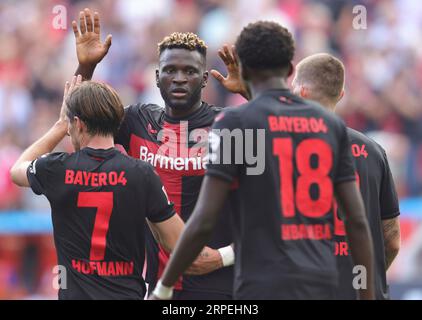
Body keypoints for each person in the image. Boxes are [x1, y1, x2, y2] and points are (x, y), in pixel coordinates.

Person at [150, 21, 375, 300]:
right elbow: (357, 220)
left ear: (242, 68)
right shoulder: (329, 124)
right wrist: (367, 296)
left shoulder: (234, 122)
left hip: (262, 281)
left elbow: (204, 219)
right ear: (291, 70)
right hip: (321, 278)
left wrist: (164, 287)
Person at [71, 8, 237, 300]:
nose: (179, 78)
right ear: (157, 76)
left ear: (204, 80)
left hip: (221, 286)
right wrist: (86, 68)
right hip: (159, 286)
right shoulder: (137, 121)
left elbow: (274, 210)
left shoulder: (232, 127)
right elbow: (78, 123)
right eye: (171, 70)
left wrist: (223, 256)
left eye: (190, 71)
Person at [9, 76, 205, 300]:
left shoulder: (56, 169)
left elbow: (17, 170)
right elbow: (180, 245)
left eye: (71, 126)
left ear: (78, 124)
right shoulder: (142, 174)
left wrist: (59, 126)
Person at [291, 53, 401, 299]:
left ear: (299, 93)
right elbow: (392, 241)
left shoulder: (283, 146)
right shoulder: (374, 151)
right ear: (340, 95)